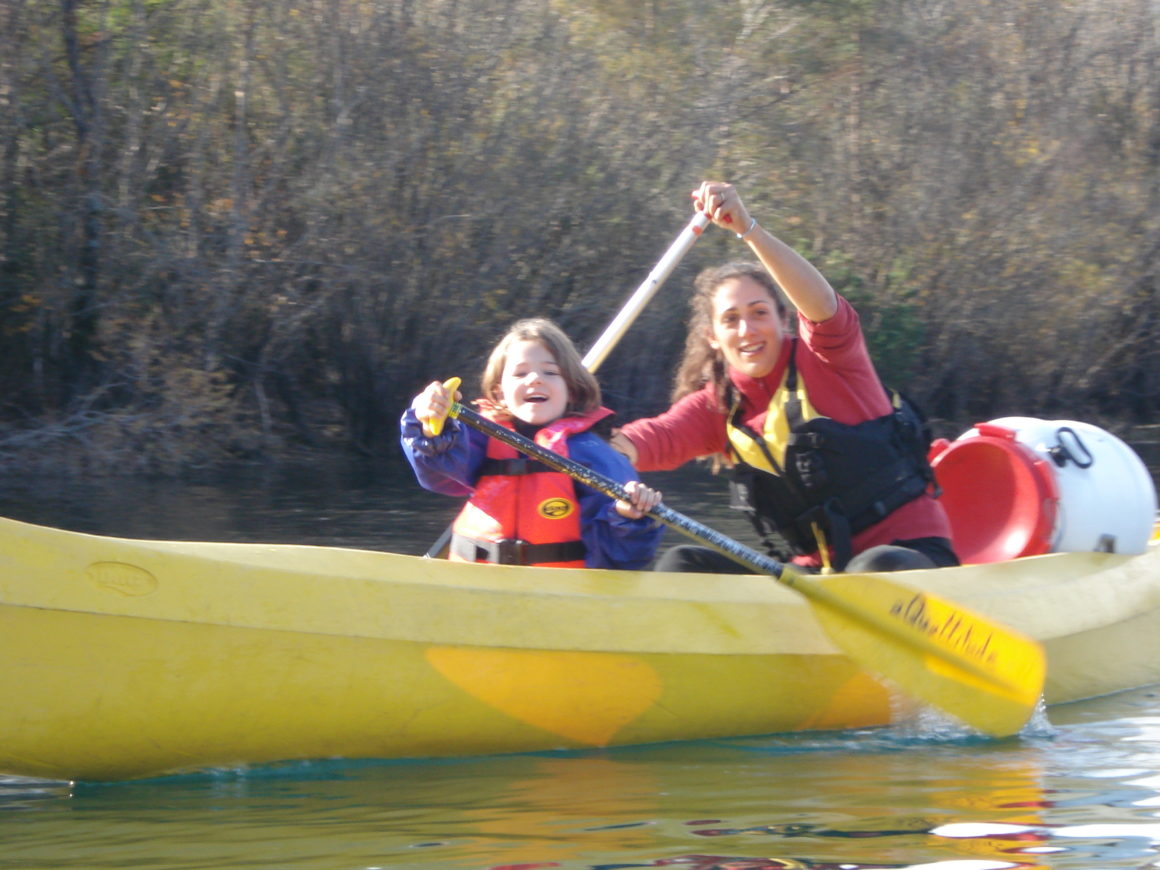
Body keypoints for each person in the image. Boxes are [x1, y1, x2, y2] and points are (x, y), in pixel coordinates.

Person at [610, 181, 958, 574]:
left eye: (759, 313)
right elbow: (653, 437)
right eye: (730, 320)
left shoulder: (830, 359)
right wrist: (583, 447)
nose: (747, 330)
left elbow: (824, 306)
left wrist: (749, 229)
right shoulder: (718, 406)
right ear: (713, 337)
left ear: (783, 318)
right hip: (815, 579)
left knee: (874, 567)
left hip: (907, 558)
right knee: (682, 562)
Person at [401, 317, 665, 570]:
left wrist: (628, 516)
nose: (535, 379)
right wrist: (430, 424)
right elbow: (437, 475)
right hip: (476, 585)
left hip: (559, 593)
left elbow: (624, 556)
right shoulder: (477, 438)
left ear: (571, 389)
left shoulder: (595, 456)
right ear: (499, 392)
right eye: (520, 373)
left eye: (550, 372)